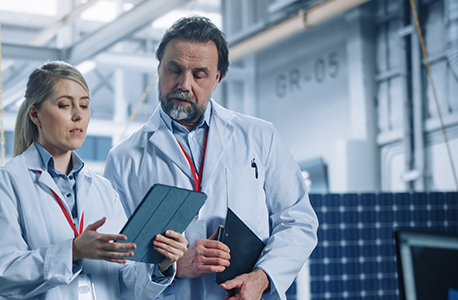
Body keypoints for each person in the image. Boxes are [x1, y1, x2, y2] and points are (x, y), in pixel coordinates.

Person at [103, 16, 318, 300]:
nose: (184, 84)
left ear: (217, 78)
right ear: (159, 69)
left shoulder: (259, 137)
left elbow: (298, 221)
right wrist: (175, 267)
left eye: (199, 74)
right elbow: (116, 264)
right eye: (174, 70)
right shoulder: (124, 160)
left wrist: (262, 278)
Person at [0, 61, 188, 300]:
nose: (78, 115)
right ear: (35, 114)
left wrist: (161, 264)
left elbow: (123, 279)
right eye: (64, 105)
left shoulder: (102, 189)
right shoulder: (5, 183)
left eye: (84, 105)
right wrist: (74, 251)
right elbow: (2, 274)